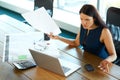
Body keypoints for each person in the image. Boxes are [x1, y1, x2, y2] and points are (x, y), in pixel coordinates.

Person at [48, 4, 117, 73]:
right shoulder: (84, 27)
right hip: (86, 60)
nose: (84, 22)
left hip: (100, 64)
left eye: (87, 19)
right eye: (81, 19)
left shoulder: (104, 31)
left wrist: (107, 60)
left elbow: (113, 55)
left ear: (94, 18)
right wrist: (58, 37)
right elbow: (75, 43)